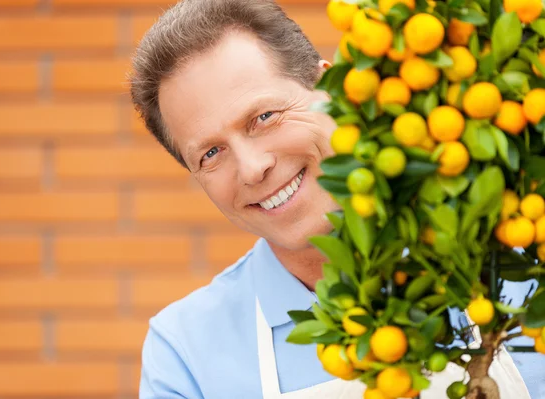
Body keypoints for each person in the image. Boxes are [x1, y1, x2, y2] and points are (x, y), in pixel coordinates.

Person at [130, 1, 542, 398]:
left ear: (332, 89)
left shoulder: (521, 258)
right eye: (210, 154)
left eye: (264, 117)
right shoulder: (187, 352)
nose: (252, 168)